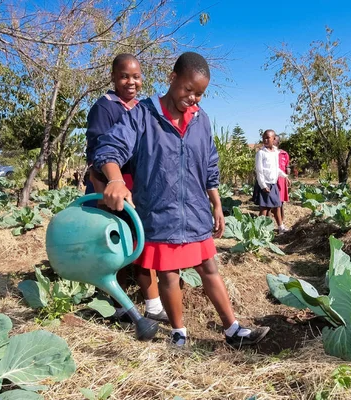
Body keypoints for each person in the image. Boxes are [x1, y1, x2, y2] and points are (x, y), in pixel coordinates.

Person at [94, 52, 270, 347]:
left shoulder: (201, 120)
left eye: (199, 94)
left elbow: (210, 164)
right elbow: (110, 148)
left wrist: (216, 204)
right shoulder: (143, 114)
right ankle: (179, 334)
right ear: (172, 78)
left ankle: (233, 330)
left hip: (195, 210)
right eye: (188, 90)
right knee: (169, 275)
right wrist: (114, 179)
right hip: (160, 212)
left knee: (209, 268)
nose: (193, 99)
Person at [85, 54, 168, 323]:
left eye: (136, 76)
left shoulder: (143, 109)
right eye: (124, 76)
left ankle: (152, 305)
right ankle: (119, 305)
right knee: (117, 246)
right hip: (113, 185)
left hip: (139, 186)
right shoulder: (105, 107)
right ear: (113, 77)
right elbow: (98, 152)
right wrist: (104, 189)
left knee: (140, 242)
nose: (130, 82)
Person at [253, 130, 289, 233]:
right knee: (264, 209)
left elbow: (276, 168)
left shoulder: (275, 152)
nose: (266, 140)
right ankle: (258, 230)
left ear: (274, 139)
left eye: (268, 138)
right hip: (265, 183)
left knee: (277, 206)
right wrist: (263, 185)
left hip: (273, 183)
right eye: (264, 137)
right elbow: (259, 171)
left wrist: (285, 176)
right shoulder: (261, 153)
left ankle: (281, 228)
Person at [274, 136, 291, 221]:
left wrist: (287, 173)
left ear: (278, 142)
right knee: (270, 203)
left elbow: (287, 166)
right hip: (272, 180)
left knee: (280, 202)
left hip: (281, 180)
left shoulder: (284, 154)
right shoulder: (269, 153)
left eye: (275, 140)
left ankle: (281, 222)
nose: (273, 141)